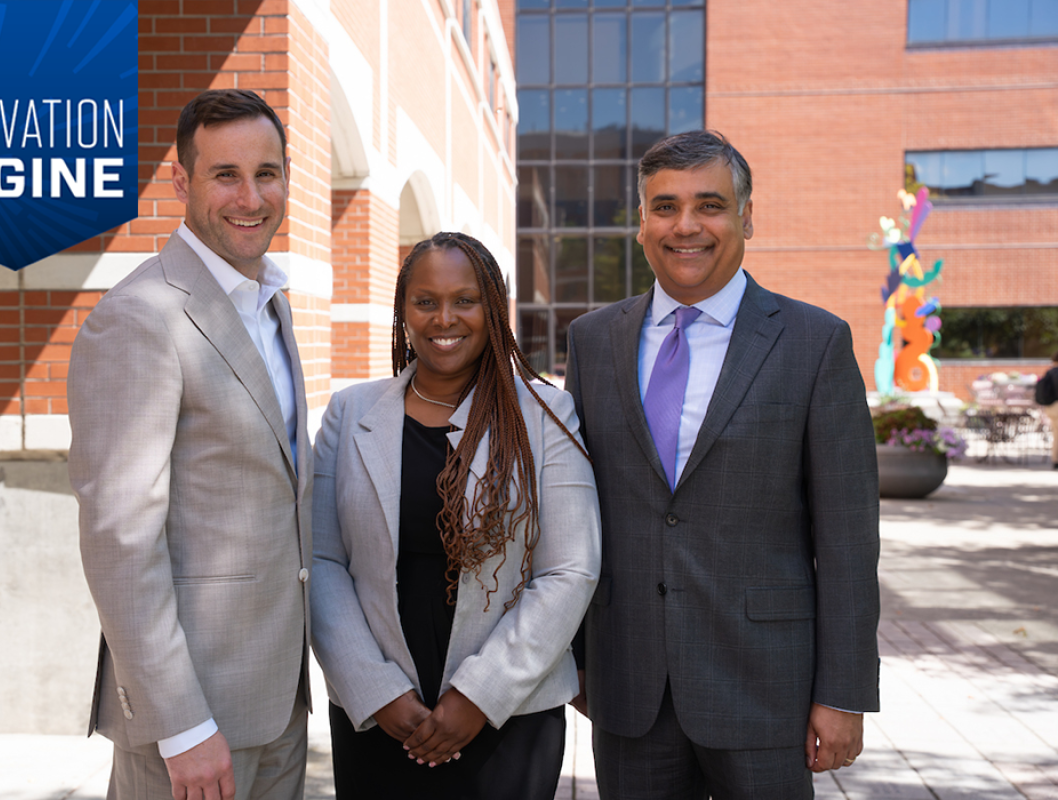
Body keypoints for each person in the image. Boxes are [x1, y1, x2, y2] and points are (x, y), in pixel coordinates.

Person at [567, 130, 880, 799]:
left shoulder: (814, 342)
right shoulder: (591, 342)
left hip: (767, 688)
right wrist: (579, 661)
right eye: (664, 206)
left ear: (746, 217)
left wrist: (844, 694)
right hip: (628, 685)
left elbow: (848, 537)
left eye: (709, 205)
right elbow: (579, 513)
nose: (685, 226)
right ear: (641, 222)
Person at [68, 89, 312, 800]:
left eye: (266, 173)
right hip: (195, 726)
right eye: (225, 174)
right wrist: (180, 725)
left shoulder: (271, 303)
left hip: (278, 702)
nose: (250, 196)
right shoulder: (139, 319)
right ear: (182, 182)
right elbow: (120, 537)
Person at [311, 232, 601, 800]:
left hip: (506, 716)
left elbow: (570, 570)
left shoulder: (545, 415)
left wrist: (477, 696)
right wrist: (376, 691)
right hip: (378, 718)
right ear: (404, 310)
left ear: (493, 308)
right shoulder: (351, 414)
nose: (445, 317)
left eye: (465, 300)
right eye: (426, 301)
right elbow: (322, 560)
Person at [1038, 351, 1058, 468]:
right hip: (1057, 405)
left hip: (1049, 407)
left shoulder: (1050, 372)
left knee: (1055, 433)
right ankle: (1056, 460)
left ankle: (1055, 459)